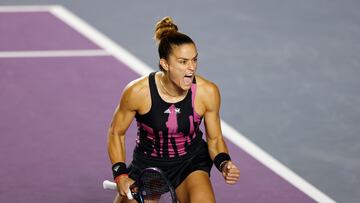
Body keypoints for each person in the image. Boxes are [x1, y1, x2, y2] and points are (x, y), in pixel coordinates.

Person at [107, 16, 240, 203]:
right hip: (148, 166)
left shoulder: (207, 92)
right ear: (165, 64)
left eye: (194, 60)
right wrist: (120, 174)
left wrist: (224, 163)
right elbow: (116, 132)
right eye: (183, 62)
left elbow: (215, 138)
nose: (191, 68)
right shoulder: (138, 92)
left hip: (189, 163)